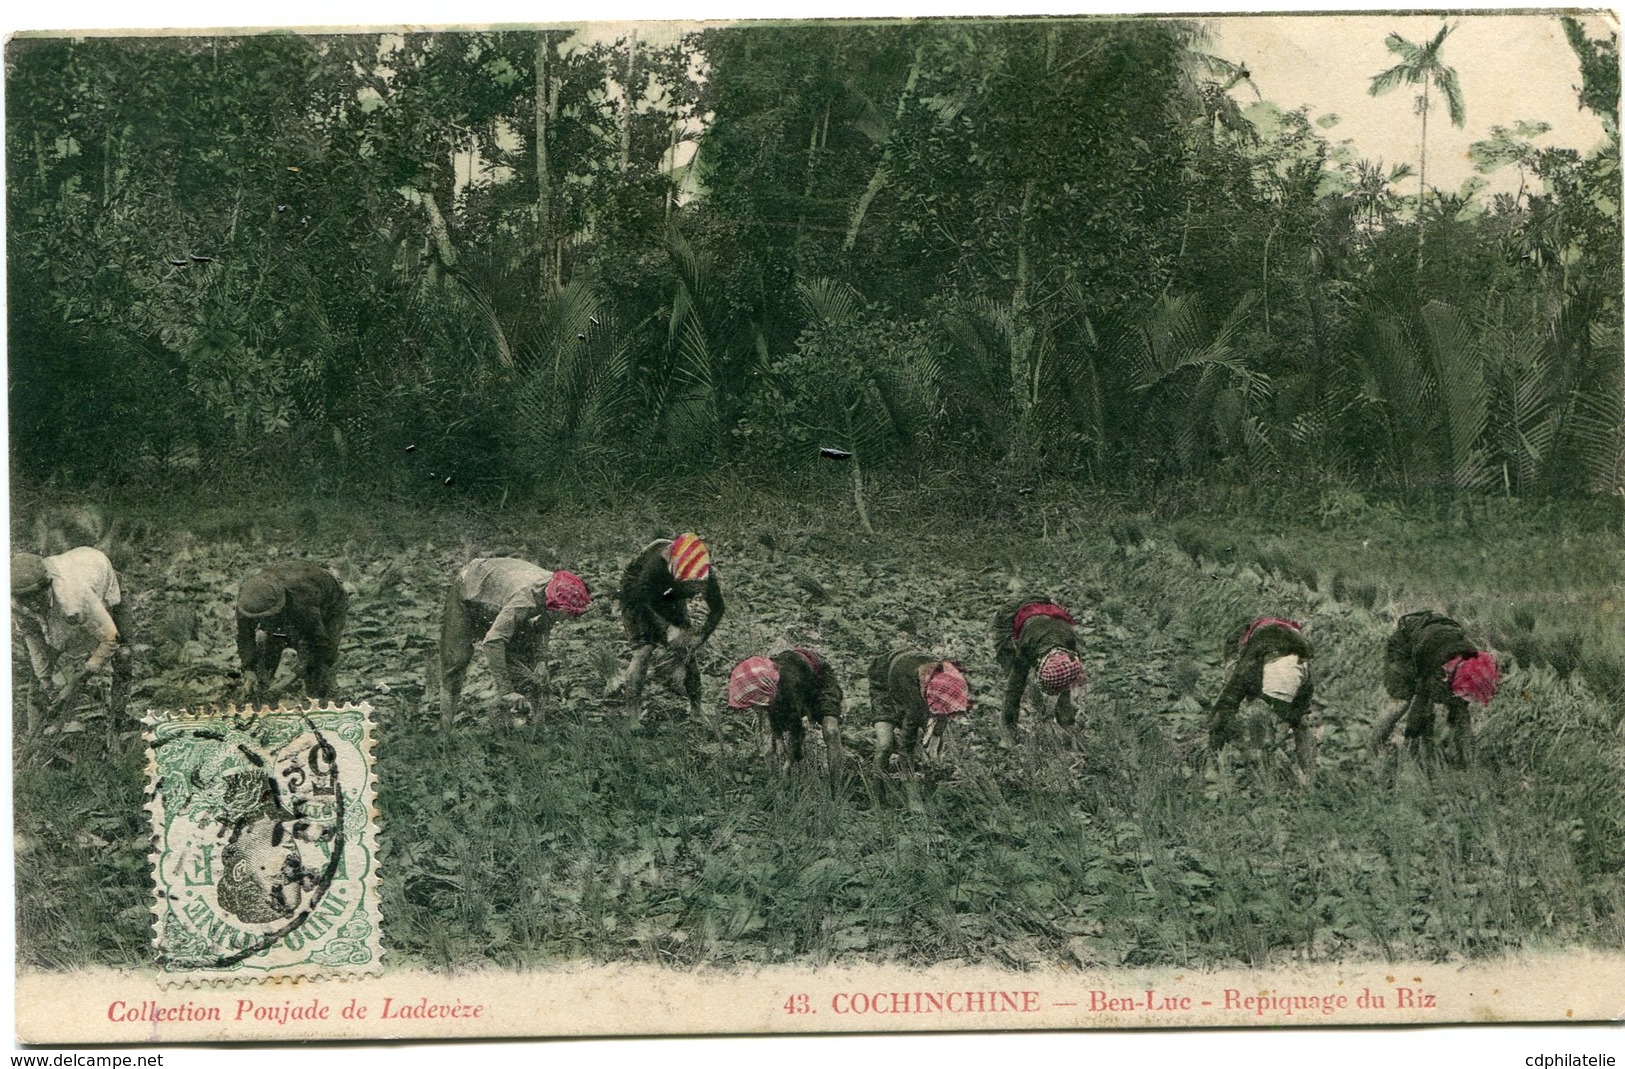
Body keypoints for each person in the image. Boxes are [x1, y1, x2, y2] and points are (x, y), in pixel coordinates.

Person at [439, 557, 590, 726]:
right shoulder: (525, 600)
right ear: (557, 605)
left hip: (500, 593)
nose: (564, 621)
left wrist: (541, 660)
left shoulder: (554, 591)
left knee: (523, 655)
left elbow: (543, 627)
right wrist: (506, 690)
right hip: (469, 588)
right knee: (456, 661)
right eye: (566, 615)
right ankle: (445, 730)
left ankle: (517, 718)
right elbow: (492, 642)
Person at [12, 547, 133, 739]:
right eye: (26, 598)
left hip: (99, 578)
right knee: (40, 681)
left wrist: (78, 680)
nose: (33, 603)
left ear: (47, 585)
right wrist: (45, 679)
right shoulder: (15, 603)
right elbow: (33, 638)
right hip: (70, 587)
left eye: (37, 595)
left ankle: (118, 722)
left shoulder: (74, 597)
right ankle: (35, 741)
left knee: (123, 655)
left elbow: (111, 638)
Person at [614, 533, 725, 720]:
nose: (694, 592)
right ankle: (633, 716)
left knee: (687, 649)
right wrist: (666, 629)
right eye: (690, 587)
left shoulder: (704, 573)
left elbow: (718, 608)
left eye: (697, 588)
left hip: (668, 592)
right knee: (644, 650)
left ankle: (697, 710)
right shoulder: (655, 568)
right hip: (638, 594)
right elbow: (644, 601)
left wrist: (701, 636)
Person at [1371, 610, 1497, 766]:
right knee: (1401, 702)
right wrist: (1413, 755)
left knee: (1458, 709)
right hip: (1404, 648)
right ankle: (1375, 748)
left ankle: (1464, 760)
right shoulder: (1433, 667)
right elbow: (1419, 711)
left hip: (1436, 648)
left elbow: (1462, 711)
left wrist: (1465, 754)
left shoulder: (1472, 665)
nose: (1465, 698)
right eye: (1464, 693)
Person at [1207, 615, 1317, 781]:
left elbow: (1295, 716)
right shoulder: (1248, 666)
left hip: (1283, 654)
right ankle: (1214, 764)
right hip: (1256, 644)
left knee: (1294, 722)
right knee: (1232, 707)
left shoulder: (1298, 669)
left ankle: (1306, 777)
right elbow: (1225, 707)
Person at [237, 561, 349, 705]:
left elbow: (318, 643)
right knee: (271, 641)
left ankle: (324, 696)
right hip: (288, 611)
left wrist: (286, 682)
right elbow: (244, 636)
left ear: (278, 607)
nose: (262, 623)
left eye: (266, 618)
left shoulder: (301, 598)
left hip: (330, 605)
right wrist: (249, 669)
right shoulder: (248, 598)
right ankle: (262, 689)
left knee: (320, 664)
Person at [727, 649, 845, 772]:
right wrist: (777, 741)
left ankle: (837, 785)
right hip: (797, 679)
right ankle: (778, 771)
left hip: (820, 676)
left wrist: (790, 761)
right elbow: (772, 717)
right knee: (776, 732)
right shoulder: (768, 685)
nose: (755, 708)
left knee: (831, 730)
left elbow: (796, 730)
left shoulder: (786, 689)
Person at [992, 597, 1085, 737]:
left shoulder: (1070, 644)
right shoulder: (1027, 647)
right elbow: (1014, 689)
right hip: (1010, 614)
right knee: (1013, 675)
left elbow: (1065, 682)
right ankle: (1008, 728)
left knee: (1062, 678)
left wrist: (1068, 723)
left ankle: (1065, 721)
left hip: (1044, 605)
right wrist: (1010, 733)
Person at [867, 651, 971, 774]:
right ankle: (877, 786)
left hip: (911, 683)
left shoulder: (948, 681)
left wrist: (936, 736)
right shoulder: (914, 692)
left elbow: (942, 714)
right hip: (884, 679)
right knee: (885, 745)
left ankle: (922, 774)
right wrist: (906, 765)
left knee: (931, 742)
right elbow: (911, 724)